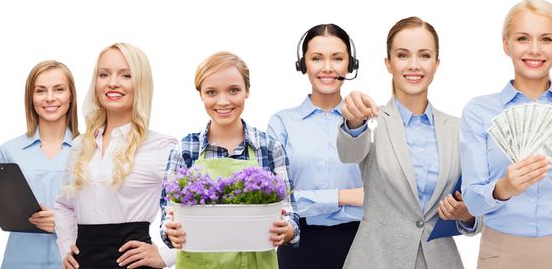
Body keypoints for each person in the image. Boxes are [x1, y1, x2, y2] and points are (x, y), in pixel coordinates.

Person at [460, 0, 552, 268]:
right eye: (522, 38)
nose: (535, 49)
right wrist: (503, 189)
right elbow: (471, 199)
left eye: (546, 39)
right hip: (501, 253)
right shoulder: (478, 112)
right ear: (506, 44)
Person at [337, 16, 480, 269]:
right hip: (376, 259)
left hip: (439, 261)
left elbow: (477, 206)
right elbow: (349, 153)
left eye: (424, 56)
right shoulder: (370, 119)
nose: (414, 65)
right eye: (403, 55)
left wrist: (466, 215)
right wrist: (353, 122)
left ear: (436, 64)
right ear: (388, 63)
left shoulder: (460, 129)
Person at [159, 51, 299, 268]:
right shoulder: (185, 149)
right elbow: (167, 215)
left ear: (247, 91)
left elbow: (290, 214)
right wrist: (170, 231)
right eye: (212, 92)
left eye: (233, 90)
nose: (223, 101)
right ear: (201, 95)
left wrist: (286, 230)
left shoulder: (269, 148)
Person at [55, 43, 179, 269]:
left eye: (126, 75)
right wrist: (66, 246)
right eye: (104, 74)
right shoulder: (80, 146)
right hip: (84, 262)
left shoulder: (162, 147)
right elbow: (64, 206)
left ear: (140, 83)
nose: (112, 82)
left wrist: (167, 255)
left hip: (132, 264)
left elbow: (200, 210)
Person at [267, 24, 364, 269]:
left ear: (350, 65)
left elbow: (379, 197)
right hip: (298, 245)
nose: (328, 67)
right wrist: (347, 196)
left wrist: (307, 198)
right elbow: (277, 200)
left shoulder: (367, 121)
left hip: (362, 244)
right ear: (303, 64)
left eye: (338, 58)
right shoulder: (282, 123)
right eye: (317, 58)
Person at [0, 60, 80, 268]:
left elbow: (104, 214)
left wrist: (64, 223)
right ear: (30, 97)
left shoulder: (90, 150)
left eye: (59, 89)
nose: (50, 98)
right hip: (20, 260)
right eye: (40, 91)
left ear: (71, 95)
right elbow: (3, 203)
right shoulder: (10, 150)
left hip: (73, 261)